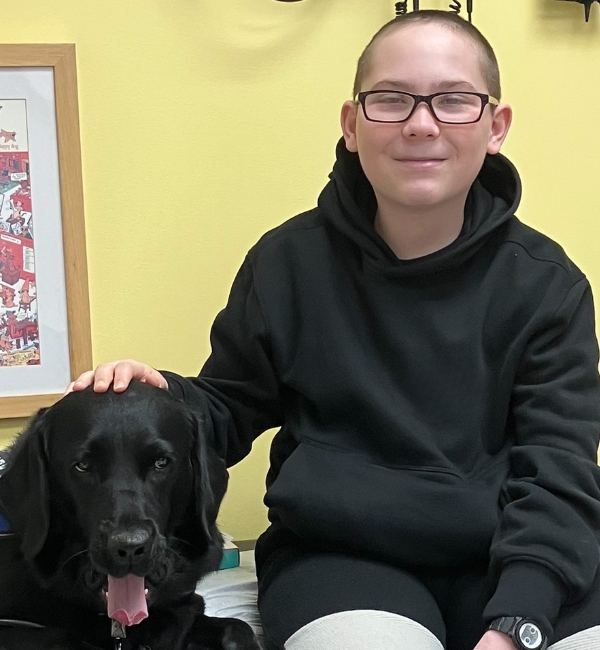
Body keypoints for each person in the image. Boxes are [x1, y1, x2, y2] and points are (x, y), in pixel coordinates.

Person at [70, 11, 600, 650]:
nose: (421, 123)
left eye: (454, 100)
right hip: (340, 558)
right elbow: (226, 408)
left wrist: (520, 621)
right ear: (351, 124)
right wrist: (159, 396)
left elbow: (559, 470)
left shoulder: (548, 285)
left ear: (496, 126)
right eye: (391, 99)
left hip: (508, 555)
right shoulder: (287, 263)